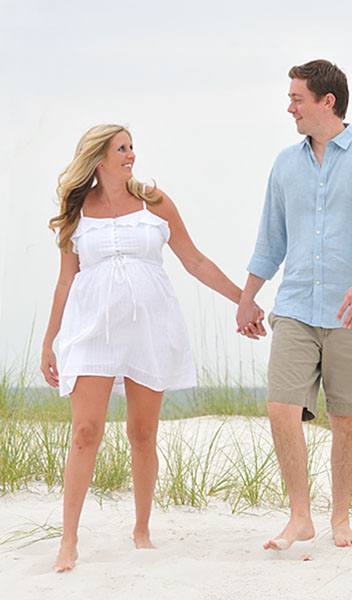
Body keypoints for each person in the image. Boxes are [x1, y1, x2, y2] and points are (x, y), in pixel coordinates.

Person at [40, 124, 264, 573]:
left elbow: (195, 260)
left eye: (132, 147)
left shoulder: (156, 203)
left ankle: (141, 530)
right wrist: (50, 341)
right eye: (121, 149)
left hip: (149, 330)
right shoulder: (76, 212)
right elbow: (67, 279)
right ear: (98, 159)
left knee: (142, 434)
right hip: (92, 331)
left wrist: (243, 299)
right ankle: (69, 540)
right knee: (85, 431)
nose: (131, 155)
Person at [236, 59, 352, 551]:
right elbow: (271, 239)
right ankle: (300, 517)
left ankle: (341, 520)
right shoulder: (285, 164)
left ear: (327, 102)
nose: (290, 107)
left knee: (345, 419)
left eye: (297, 98)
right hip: (296, 307)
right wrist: (248, 298)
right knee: (281, 406)